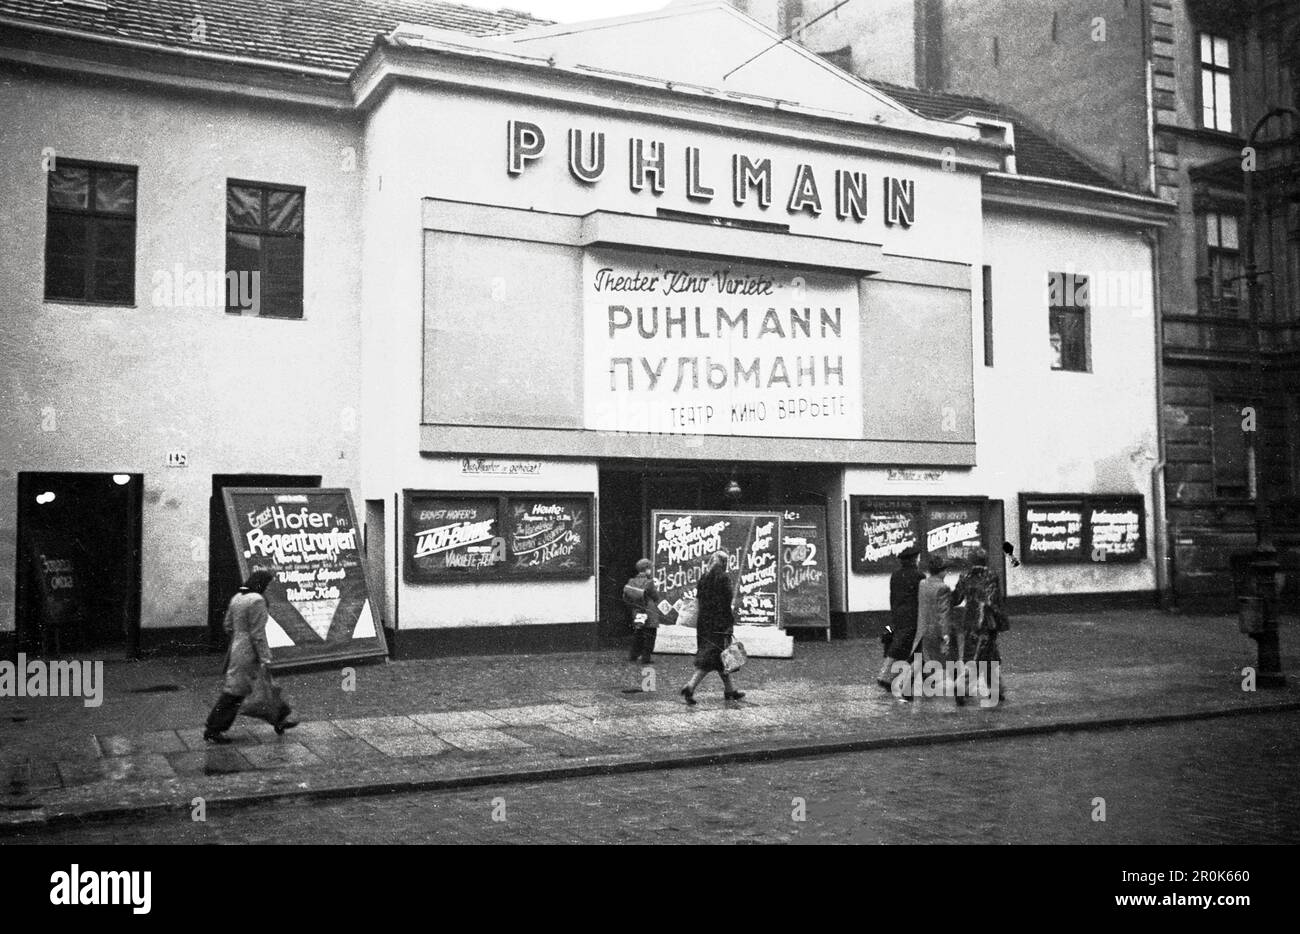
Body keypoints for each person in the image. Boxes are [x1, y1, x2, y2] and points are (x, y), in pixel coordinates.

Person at [203, 569, 297, 743]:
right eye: (268, 584)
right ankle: (213, 728)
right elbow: (257, 634)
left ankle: (280, 719)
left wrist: (239, 636)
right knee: (236, 691)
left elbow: (228, 626)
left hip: (237, 648)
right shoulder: (257, 600)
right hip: (250, 651)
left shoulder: (237, 597)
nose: (269, 588)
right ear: (262, 584)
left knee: (264, 686)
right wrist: (265, 656)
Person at [681, 551, 744, 705]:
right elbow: (726, 603)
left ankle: (730, 690)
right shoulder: (723, 578)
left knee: (721, 658)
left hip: (704, 623)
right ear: (724, 563)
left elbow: (701, 599)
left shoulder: (704, 578)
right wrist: (729, 623)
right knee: (714, 658)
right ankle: (690, 686)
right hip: (720, 623)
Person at [952, 549, 1008, 704]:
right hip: (987, 621)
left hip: (970, 620)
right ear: (985, 560)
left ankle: (997, 689)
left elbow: (956, 598)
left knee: (986, 655)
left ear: (971, 560)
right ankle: (961, 686)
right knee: (983, 654)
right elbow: (994, 601)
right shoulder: (991, 576)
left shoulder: (965, 576)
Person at [913, 554, 963, 705]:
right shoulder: (943, 588)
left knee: (928, 661)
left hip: (924, 630)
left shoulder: (922, 583)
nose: (946, 573)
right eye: (945, 570)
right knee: (952, 662)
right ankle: (959, 693)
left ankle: (924, 691)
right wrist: (946, 634)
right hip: (939, 632)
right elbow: (944, 613)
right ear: (940, 571)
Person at [878, 546, 924, 693]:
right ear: (914, 560)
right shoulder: (919, 576)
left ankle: (888, 675)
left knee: (899, 646)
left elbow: (893, 597)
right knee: (913, 649)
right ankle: (890, 678)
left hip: (899, 616)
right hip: (914, 617)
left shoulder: (896, 575)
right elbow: (921, 599)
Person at [623, 558, 662, 664]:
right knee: (650, 635)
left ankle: (633, 655)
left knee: (638, 633)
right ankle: (646, 657)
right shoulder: (649, 582)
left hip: (637, 610)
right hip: (649, 611)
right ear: (647, 569)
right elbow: (656, 597)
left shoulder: (631, 581)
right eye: (650, 568)